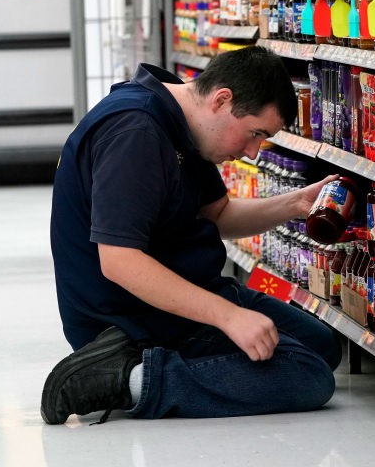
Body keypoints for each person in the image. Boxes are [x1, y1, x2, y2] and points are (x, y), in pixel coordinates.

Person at [41, 46, 342, 425]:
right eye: (254, 134)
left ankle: (161, 364)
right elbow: (119, 261)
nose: (252, 153)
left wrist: (297, 202)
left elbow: (219, 215)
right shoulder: (136, 133)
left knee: (323, 345)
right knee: (308, 376)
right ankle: (123, 378)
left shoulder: (182, 121)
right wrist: (228, 317)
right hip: (126, 319)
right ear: (222, 99)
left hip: (184, 287)